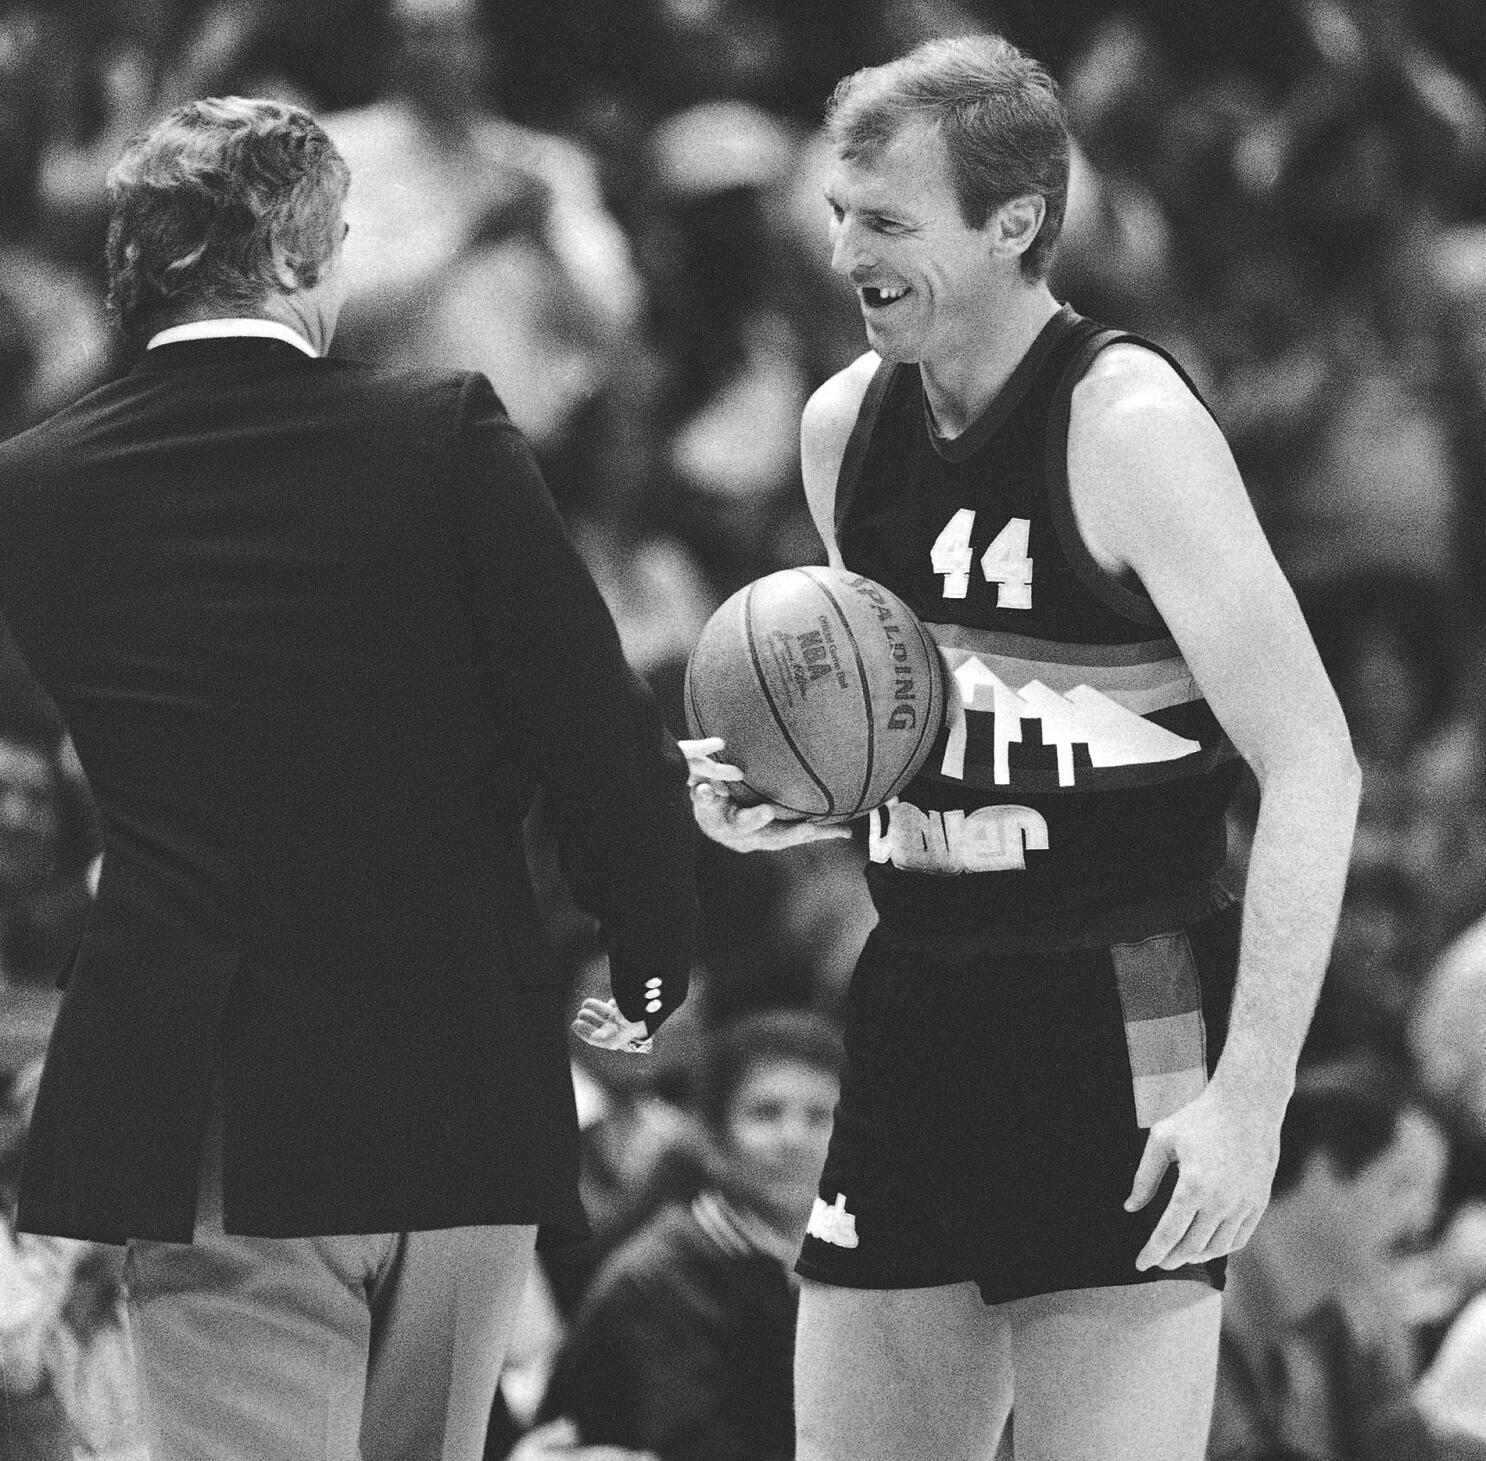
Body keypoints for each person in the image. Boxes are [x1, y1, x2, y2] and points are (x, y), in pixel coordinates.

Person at [684, 33, 1360, 1461]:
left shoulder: (1128, 429)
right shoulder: (841, 430)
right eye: (836, 213)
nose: (844, 251)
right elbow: (909, 731)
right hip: (916, 1001)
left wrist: (1250, 1097)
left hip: (1118, 1014)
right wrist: (790, 797)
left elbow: (1313, 763)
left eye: (884, 220)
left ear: (1014, 224)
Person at [0, 96, 696, 1461]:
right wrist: (648, 947)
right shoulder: (438, 429)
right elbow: (589, 724)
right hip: (459, 1069)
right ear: (311, 252)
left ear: (135, 266)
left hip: (205, 1085)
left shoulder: (33, 483)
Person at [536, 1008, 843, 1460]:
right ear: (715, 1135)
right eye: (766, 1113)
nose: (795, 1138)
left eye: (820, 1117)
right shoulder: (662, 1275)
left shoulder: (842, 1257)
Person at [1208, 1057, 1483, 1461]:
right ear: (1321, 1173)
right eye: (1403, 1185)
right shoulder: (1196, 1315)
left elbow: (1407, 1448)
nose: (1424, 1222)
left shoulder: (1341, 1329)